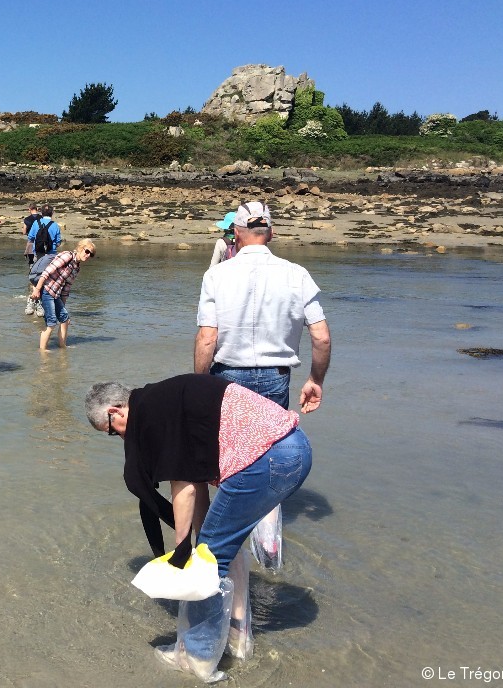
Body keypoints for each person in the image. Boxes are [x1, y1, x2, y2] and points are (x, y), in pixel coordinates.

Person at [84, 373, 312, 678]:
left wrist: (183, 551)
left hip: (266, 460)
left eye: (113, 432)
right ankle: (239, 640)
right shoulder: (164, 398)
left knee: (208, 563)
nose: (122, 439)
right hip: (293, 450)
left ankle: (197, 657)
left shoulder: (153, 413)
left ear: (116, 411)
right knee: (220, 551)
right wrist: (200, 539)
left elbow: (185, 487)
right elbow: (198, 481)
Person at [194, 200, 332, 414]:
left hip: (227, 375)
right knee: (270, 444)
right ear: (271, 234)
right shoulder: (298, 274)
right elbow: (321, 337)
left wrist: (200, 387)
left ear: (236, 234)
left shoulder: (215, 275)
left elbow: (207, 338)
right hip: (275, 378)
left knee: (230, 445)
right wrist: (315, 380)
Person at [28, 238, 96, 351]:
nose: (88, 255)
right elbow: (47, 272)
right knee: (51, 323)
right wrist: (37, 289)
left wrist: (62, 307)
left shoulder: (76, 267)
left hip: (56, 294)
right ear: (80, 248)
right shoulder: (67, 256)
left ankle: (63, 346)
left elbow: (66, 288)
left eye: (91, 254)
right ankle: (43, 351)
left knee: (65, 319)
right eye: (87, 251)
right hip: (46, 290)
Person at [24, 205, 61, 314]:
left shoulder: (36, 223)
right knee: (48, 278)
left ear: (41, 212)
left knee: (36, 276)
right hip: (51, 255)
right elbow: (58, 242)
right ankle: (43, 303)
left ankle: (33, 301)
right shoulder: (55, 225)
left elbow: (30, 238)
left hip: (39, 254)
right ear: (52, 213)